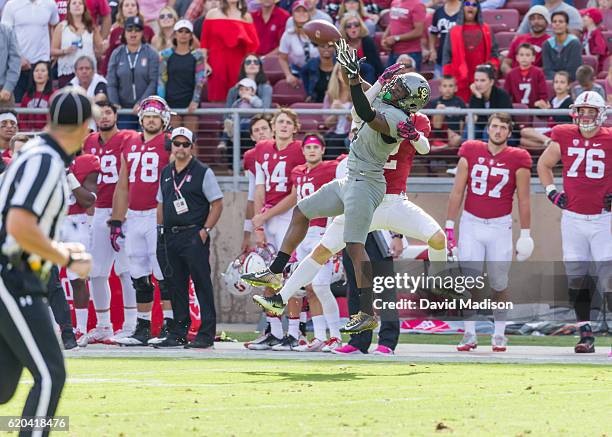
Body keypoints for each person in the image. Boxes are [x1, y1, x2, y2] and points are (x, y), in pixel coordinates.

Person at [243, 43, 432, 334]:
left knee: (355, 246)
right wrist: (358, 74)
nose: (392, 89)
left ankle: (367, 312)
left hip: (367, 184)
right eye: (394, 86)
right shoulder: (387, 102)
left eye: (398, 90)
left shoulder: (398, 119)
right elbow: (363, 99)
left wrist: (357, 80)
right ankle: (274, 271)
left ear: (408, 103)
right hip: (350, 179)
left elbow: (365, 112)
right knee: (302, 210)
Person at [0, 86, 92, 435]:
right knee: (51, 374)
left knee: (4, 386)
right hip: (13, 276)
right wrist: (65, 257)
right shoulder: (45, 160)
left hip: (16, 274)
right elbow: (19, 224)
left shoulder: (36, 153)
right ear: (84, 126)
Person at [447, 112, 533, 352]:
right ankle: (469, 333)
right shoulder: (471, 150)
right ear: (488, 129)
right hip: (471, 223)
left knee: (498, 281)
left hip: (500, 225)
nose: (498, 131)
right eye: (494, 126)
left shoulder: (518, 157)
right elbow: (457, 191)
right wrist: (449, 225)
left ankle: (499, 333)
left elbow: (524, 200)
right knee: (468, 279)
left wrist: (525, 233)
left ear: (509, 132)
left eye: (503, 128)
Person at [537, 91, 612, 353]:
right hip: (573, 219)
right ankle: (585, 334)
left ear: (601, 113)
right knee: (576, 279)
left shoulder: (609, 138)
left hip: (604, 220)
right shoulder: (564, 134)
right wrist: (551, 192)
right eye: (582, 110)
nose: (585, 116)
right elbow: (544, 165)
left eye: (591, 111)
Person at [111, 96, 173, 346]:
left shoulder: (169, 143)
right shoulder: (129, 142)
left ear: (164, 120)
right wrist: (117, 219)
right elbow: (123, 183)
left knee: (163, 273)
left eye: (155, 117)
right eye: (147, 116)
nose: (150, 121)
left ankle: (170, 325)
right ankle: (143, 326)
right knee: (138, 273)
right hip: (134, 216)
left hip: (155, 215)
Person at [155, 127, 224, 348]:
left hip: (194, 234)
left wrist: (205, 231)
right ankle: (178, 332)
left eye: (186, 144)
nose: (181, 148)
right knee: (176, 285)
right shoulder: (166, 172)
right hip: (171, 235)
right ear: (172, 146)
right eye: (177, 144)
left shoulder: (203, 171)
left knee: (202, 284)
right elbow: (160, 203)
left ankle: (206, 333)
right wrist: (160, 230)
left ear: (192, 146)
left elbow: (217, 203)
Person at [246, 108, 307, 350]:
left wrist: (266, 216)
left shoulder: (300, 150)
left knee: (290, 277)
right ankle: (274, 331)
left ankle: (293, 333)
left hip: (289, 218)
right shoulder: (261, 150)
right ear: (273, 126)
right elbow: (259, 188)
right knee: (268, 277)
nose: (283, 125)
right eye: (279, 121)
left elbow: (295, 194)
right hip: (269, 219)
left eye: (288, 122)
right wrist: (259, 223)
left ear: (295, 127)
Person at [81, 98, 138, 344]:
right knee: (96, 272)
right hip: (99, 210)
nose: (104, 117)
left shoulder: (127, 138)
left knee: (126, 270)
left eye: (108, 112)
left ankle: (131, 324)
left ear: (115, 115)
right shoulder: (89, 141)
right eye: (100, 113)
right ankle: (104, 325)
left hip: (122, 211)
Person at [287, 133, 344, 352]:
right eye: (308, 147)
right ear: (303, 151)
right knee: (310, 287)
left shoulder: (331, 168)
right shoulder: (297, 172)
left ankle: (336, 336)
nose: (312, 150)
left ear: (323, 150)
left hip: (322, 231)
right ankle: (320, 336)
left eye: (316, 147)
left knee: (321, 285)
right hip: (303, 233)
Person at [60, 152, 99, 346]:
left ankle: (81, 329)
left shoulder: (86, 162)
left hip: (76, 221)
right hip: (50, 220)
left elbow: (88, 200)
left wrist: (69, 174)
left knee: (77, 278)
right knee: (41, 276)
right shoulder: (44, 159)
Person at [1, 0, 60, 103]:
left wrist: (52, 50)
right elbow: (5, 35)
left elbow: (55, 25)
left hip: (42, 66)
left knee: (43, 105)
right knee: (17, 106)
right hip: (19, 67)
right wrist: (18, 59)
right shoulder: (11, 5)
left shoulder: (50, 4)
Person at [200, 0, 260, 102]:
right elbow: (204, 42)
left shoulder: (246, 16)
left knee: (238, 97)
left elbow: (253, 46)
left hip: (238, 63)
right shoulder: (212, 14)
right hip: (216, 62)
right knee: (217, 97)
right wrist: (204, 62)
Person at [107, 16, 160, 130]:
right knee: (126, 144)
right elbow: (111, 82)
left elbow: (154, 81)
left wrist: (142, 102)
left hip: (146, 109)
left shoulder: (151, 53)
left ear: (142, 33)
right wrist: (114, 103)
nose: (133, 33)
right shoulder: (117, 53)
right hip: (124, 109)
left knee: (145, 144)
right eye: (129, 29)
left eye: (137, 30)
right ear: (124, 33)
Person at [442, 0, 500, 103]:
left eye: (474, 5)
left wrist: (491, 66)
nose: (470, 7)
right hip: (460, 79)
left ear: (478, 9)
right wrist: (449, 77)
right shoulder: (453, 31)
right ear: (462, 8)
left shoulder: (486, 29)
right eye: (467, 4)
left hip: (482, 79)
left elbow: (494, 52)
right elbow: (447, 56)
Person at [157, 19, 207, 134]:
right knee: (173, 139)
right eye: (180, 31)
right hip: (171, 104)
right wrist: (163, 103)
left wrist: (195, 101)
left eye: (187, 31)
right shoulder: (165, 55)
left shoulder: (198, 55)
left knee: (191, 140)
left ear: (191, 36)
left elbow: (200, 80)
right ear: (175, 34)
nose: (183, 34)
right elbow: (161, 80)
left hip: (191, 104)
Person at [218, 55, 273, 152]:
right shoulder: (234, 90)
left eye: (255, 62)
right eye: (248, 62)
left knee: (249, 129)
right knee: (231, 127)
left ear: (260, 66)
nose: (252, 64)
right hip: (236, 124)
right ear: (243, 66)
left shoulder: (266, 88)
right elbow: (227, 112)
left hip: (256, 124)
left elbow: (265, 109)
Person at [51, 0, 103, 87]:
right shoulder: (61, 27)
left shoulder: (91, 27)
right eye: (74, 3)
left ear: (84, 8)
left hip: (88, 73)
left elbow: (100, 48)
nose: (77, 5)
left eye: (80, 3)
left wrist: (102, 47)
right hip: (68, 73)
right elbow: (52, 51)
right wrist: (65, 51)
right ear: (69, 8)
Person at [241, 114, 273, 253]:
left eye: (264, 128)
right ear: (252, 137)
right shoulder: (250, 157)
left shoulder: (291, 149)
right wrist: (247, 234)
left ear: (272, 131)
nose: (261, 132)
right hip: (265, 212)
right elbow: (251, 197)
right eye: (256, 130)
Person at [100, 0, 155, 76]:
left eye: (133, 5)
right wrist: (104, 73)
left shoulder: (147, 30)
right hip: (120, 72)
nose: (130, 8)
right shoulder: (115, 31)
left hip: (143, 71)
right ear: (121, 9)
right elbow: (110, 55)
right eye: (126, 5)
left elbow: (153, 53)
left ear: (137, 9)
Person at [520, 70, 573, 149]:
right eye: (556, 82)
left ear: (568, 86)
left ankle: (549, 143)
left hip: (558, 132)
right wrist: (538, 107)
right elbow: (543, 115)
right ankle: (549, 144)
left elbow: (563, 120)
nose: (558, 85)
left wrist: (549, 110)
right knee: (522, 140)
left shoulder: (569, 101)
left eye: (562, 82)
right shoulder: (553, 99)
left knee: (525, 132)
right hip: (549, 131)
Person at [278, 0, 319, 87]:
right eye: (298, 11)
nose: (301, 13)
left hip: (317, 72)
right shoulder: (288, 34)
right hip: (297, 73)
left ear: (309, 14)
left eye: (304, 11)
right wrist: (288, 75)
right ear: (293, 14)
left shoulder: (317, 32)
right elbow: (282, 58)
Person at [501, 5, 551, 75]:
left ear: (547, 21)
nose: (536, 21)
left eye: (540, 18)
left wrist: (528, 75)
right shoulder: (519, 39)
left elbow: (548, 68)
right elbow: (506, 63)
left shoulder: (551, 42)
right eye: (532, 19)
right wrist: (513, 75)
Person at [469, 64, 512, 140]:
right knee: (469, 129)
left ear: (491, 82)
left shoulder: (502, 95)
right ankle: (465, 151)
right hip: (483, 129)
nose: (478, 84)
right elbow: (473, 119)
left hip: (503, 131)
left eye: (482, 80)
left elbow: (501, 120)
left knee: (488, 130)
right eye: (476, 80)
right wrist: (478, 97)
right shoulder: (475, 95)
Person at [381, 0, 426, 69]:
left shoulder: (418, 5)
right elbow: (392, 22)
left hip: (410, 52)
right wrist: (384, 37)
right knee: (390, 79)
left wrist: (396, 38)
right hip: (393, 51)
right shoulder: (394, 2)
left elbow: (418, 31)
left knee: (409, 79)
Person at [339, 13, 382, 82]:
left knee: (368, 68)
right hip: (348, 78)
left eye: (356, 25)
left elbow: (376, 65)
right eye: (349, 26)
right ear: (345, 29)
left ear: (360, 27)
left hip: (369, 77)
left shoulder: (367, 41)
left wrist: (355, 56)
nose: (353, 27)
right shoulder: (342, 44)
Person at [427, 75, 466, 149]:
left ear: (455, 88)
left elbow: (462, 121)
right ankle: (438, 141)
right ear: (440, 88)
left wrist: (460, 134)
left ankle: (445, 146)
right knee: (439, 108)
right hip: (440, 133)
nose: (447, 89)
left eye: (450, 86)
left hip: (454, 134)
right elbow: (430, 122)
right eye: (445, 86)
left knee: (458, 139)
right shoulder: (434, 102)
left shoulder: (459, 101)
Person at [322, 63, 352, 157]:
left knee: (335, 141)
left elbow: (360, 119)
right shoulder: (330, 95)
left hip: (350, 134)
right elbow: (327, 123)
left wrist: (343, 110)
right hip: (334, 132)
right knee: (324, 140)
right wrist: (335, 114)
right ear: (336, 74)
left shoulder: (358, 93)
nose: (344, 74)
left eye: (347, 71)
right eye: (341, 71)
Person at [543, 11, 582, 81]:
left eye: (561, 22)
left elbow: (573, 71)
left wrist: (561, 80)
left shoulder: (574, 43)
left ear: (566, 25)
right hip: (552, 81)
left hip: (570, 82)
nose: (557, 24)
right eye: (554, 22)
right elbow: (547, 71)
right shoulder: (547, 44)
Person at [504, 43, 548, 108]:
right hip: (516, 110)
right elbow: (506, 94)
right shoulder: (511, 74)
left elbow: (543, 94)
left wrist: (540, 103)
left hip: (535, 109)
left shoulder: (538, 73)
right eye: (521, 55)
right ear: (517, 57)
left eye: (527, 55)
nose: (524, 58)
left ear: (533, 58)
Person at [427, 0, 461, 78]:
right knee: (441, 87)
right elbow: (433, 32)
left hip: (461, 59)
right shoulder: (439, 12)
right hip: (442, 57)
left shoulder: (464, 10)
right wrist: (432, 49)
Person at [19, 62, 55, 132]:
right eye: (36, 71)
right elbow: (22, 119)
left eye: (43, 71)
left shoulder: (54, 95)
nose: (39, 73)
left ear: (48, 76)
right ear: (32, 74)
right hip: (29, 135)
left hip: (48, 135)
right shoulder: (27, 95)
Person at [517, 0, 582, 36]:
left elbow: (573, 40)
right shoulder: (533, 11)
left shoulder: (572, 12)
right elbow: (518, 37)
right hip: (532, 55)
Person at [580, 8, 609, 73]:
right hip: (586, 65)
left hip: (596, 68)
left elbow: (598, 53)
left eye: (585, 16)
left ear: (592, 19)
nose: (583, 18)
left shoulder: (597, 33)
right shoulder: (585, 33)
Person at [0, 23, 20, 109]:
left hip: (4, 90)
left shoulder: (7, 31)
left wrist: (8, 87)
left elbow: (15, 61)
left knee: (7, 120)